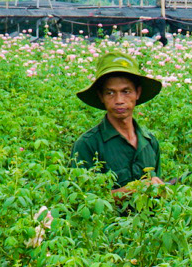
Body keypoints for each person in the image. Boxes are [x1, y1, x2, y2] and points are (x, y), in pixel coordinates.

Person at [70, 52, 164, 187]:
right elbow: (82, 200)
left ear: (137, 93)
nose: (119, 100)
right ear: (101, 96)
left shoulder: (150, 142)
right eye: (110, 93)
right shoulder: (87, 145)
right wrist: (133, 190)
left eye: (126, 92)